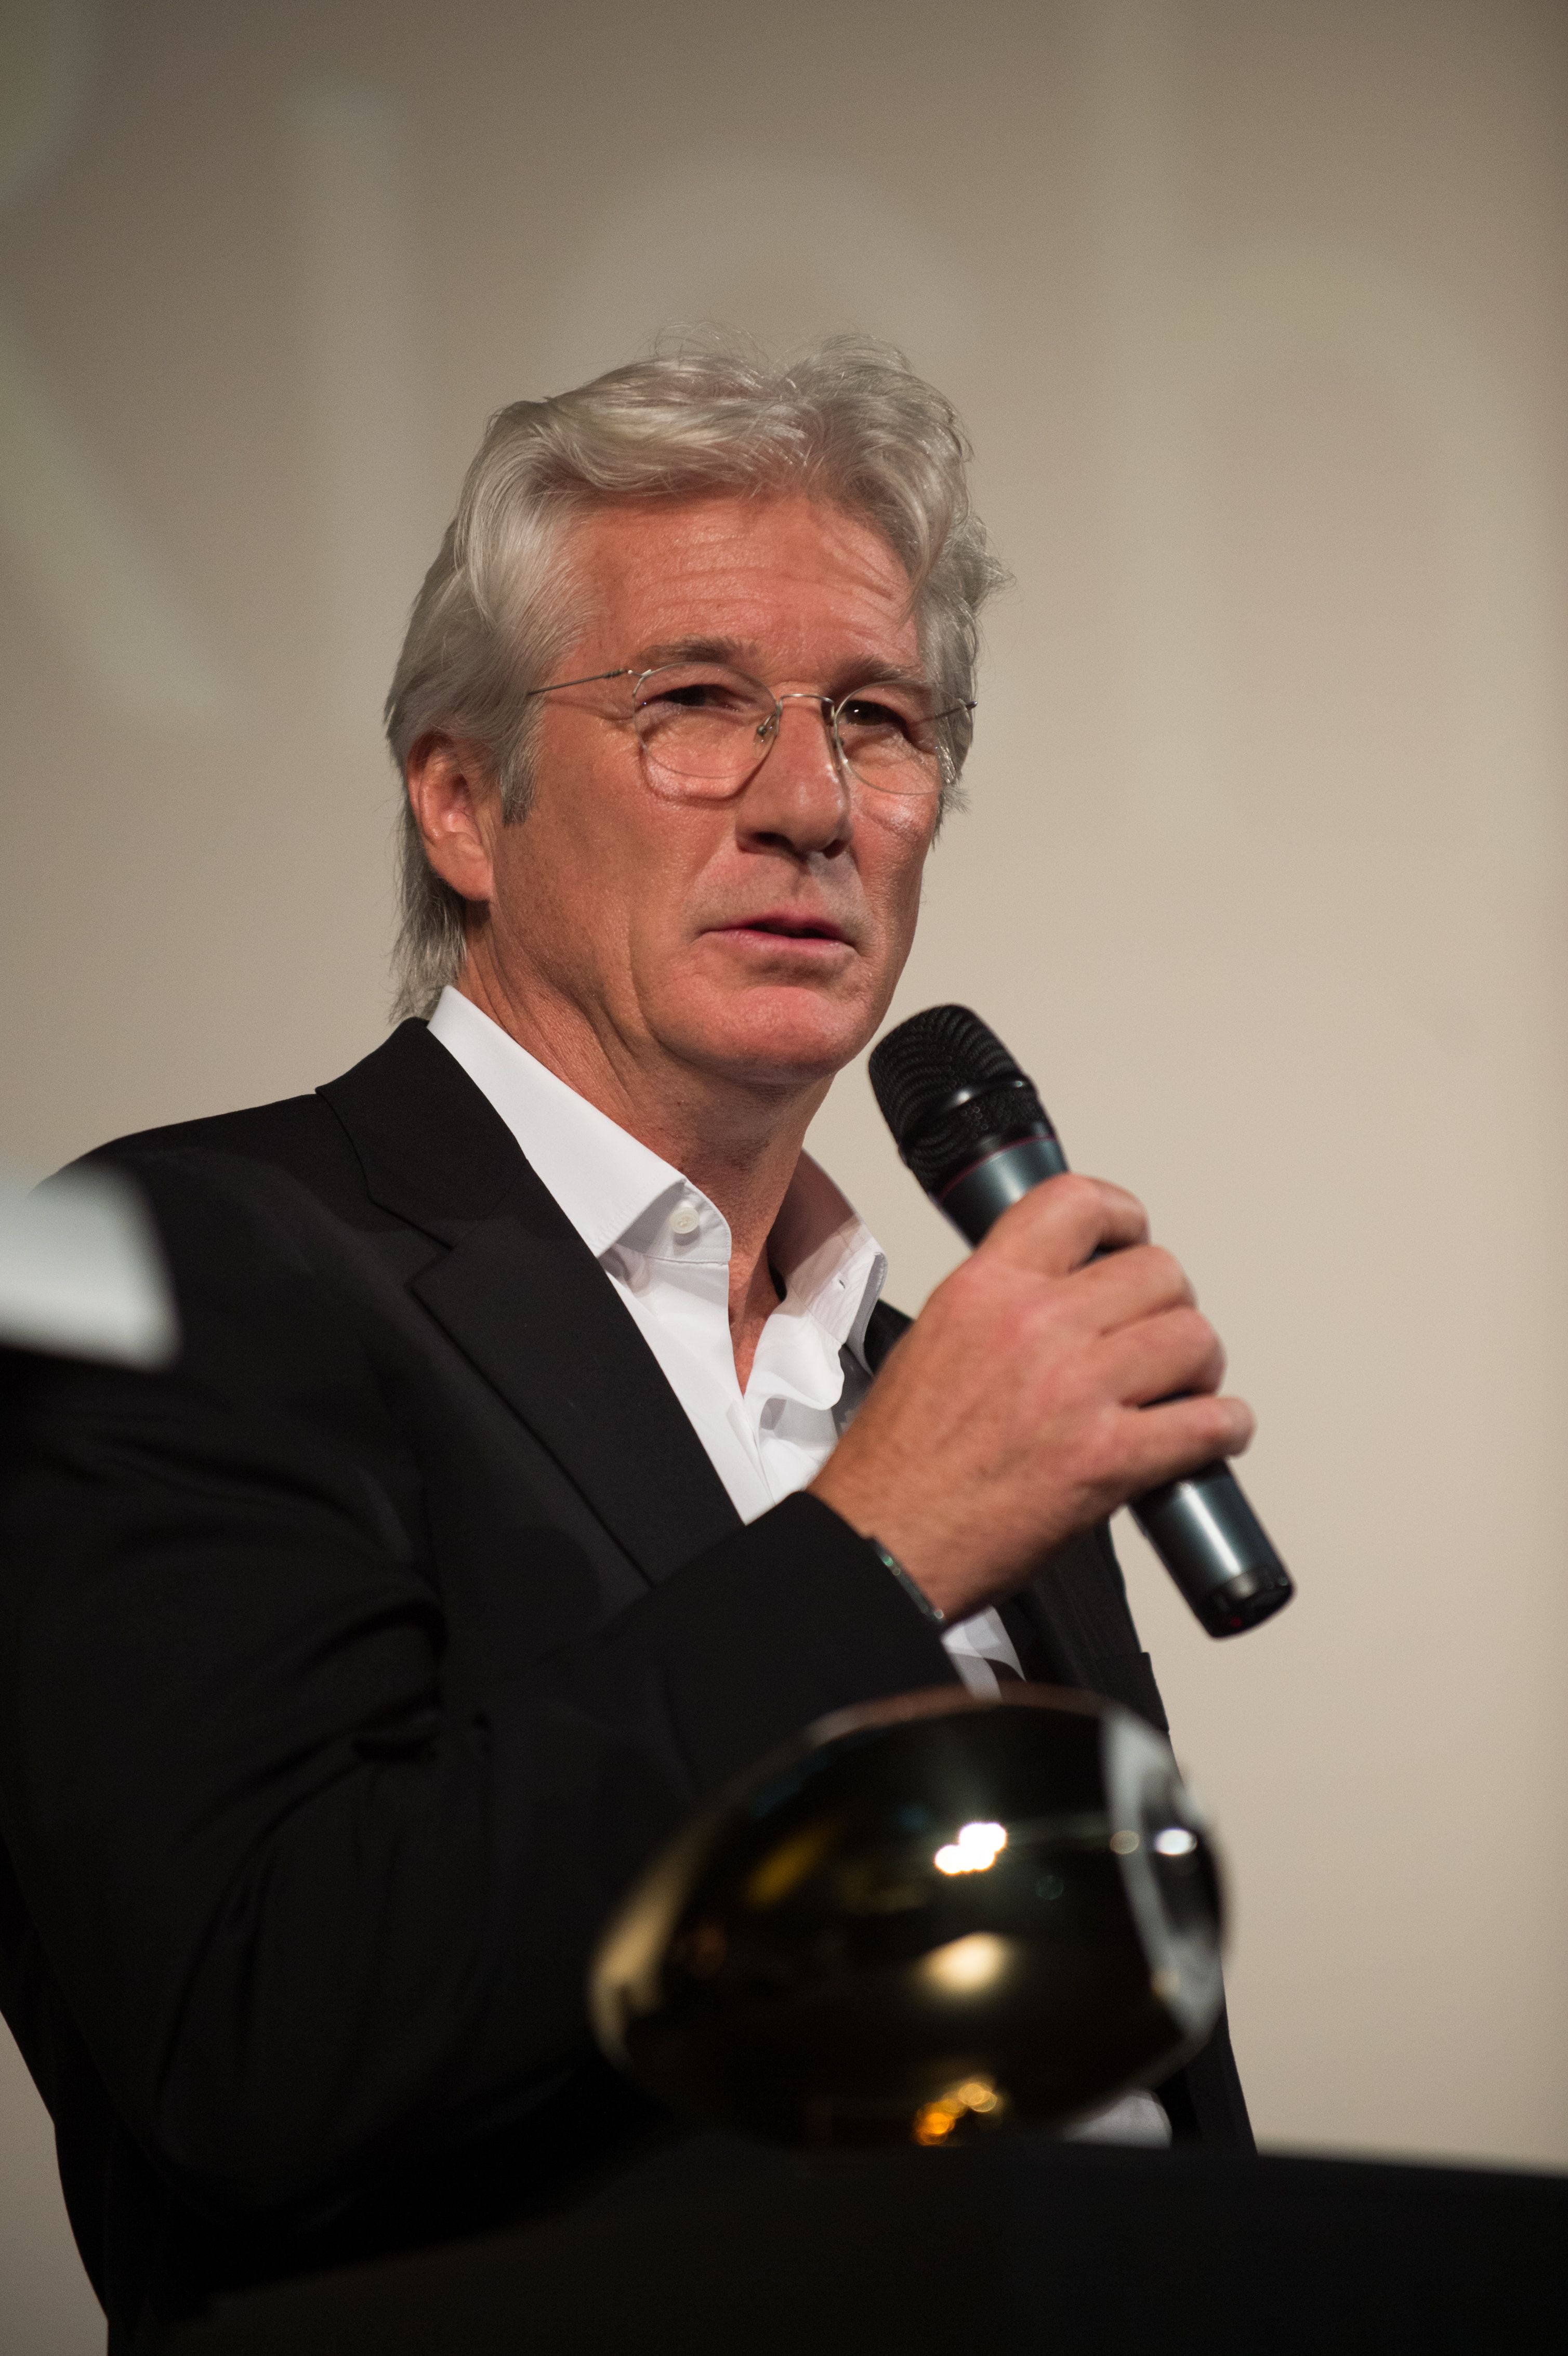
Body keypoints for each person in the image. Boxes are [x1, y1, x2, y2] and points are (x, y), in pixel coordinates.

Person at [0, 335, 1256, 2350]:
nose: (809, 804)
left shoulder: (931, 1377)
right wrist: (867, 1557)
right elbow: (245, 2040)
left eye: (876, 721)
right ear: (459, 803)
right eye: (692, 706)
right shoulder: (182, 1265)